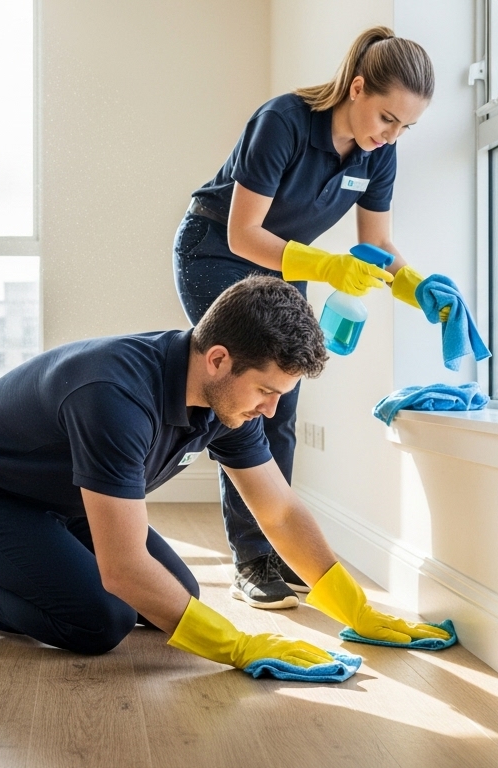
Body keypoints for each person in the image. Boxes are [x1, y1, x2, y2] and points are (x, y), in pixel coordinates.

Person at [0, 277, 450, 670]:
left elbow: (278, 510)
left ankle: (6, 559)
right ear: (217, 359)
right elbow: (121, 569)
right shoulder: (114, 396)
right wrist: (235, 646)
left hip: (60, 496)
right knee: (102, 620)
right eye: (266, 391)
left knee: (176, 593)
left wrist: (354, 608)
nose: (271, 410)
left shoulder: (226, 400)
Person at [173, 26, 453, 608]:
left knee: (283, 400)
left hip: (292, 264)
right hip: (216, 252)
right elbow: (243, 232)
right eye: (386, 118)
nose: (392, 135)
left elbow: (377, 244)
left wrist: (419, 289)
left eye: (406, 126)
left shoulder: (380, 155)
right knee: (246, 389)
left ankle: (274, 548)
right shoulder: (283, 121)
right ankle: (250, 559)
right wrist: (327, 268)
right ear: (356, 88)